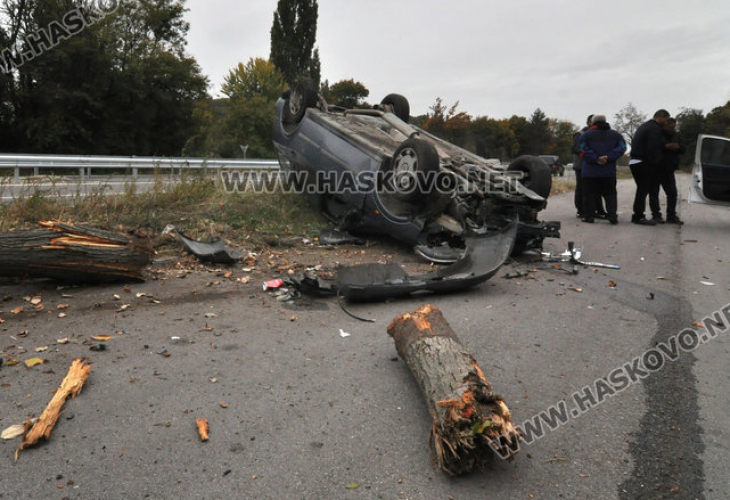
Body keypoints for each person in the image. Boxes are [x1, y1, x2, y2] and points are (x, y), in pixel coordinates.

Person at [579, 114, 626, 224]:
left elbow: (582, 150)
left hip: (590, 172)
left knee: (589, 195)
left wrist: (596, 158)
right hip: (608, 172)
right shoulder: (616, 135)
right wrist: (608, 157)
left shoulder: (586, 135)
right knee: (610, 194)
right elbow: (623, 148)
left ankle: (589, 216)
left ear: (593, 122)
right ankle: (612, 216)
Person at [629, 109, 670, 225]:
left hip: (635, 161)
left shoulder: (646, 126)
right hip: (643, 162)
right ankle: (638, 216)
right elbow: (653, 148)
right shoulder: (655, 129)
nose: (666, 123)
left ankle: (639, 215)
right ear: (661, 117)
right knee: (643, 190)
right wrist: (656, 163)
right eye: (666, 120)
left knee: (643, 189)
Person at [571, 114, 606, 218]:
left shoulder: (599, 134)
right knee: (581, 188)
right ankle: (580, 210)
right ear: (589, 122)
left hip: (594, 165)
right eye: (593, 121)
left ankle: (597, 210)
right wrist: (590, 154)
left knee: (596, 189)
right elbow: (575, 149)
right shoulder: (580, 133)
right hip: (581, 166)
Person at [652, 117, 685, 224]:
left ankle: (671, 215)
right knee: (654, 193)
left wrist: (678, 147)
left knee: (672, 193)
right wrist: (666, 147)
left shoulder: (676, 135)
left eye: (674, 127)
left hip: (669, 168)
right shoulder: (657, 134)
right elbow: (653, 147)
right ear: (665, 125)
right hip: (656, 168)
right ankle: (656, 215)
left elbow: (683, 149)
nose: (672, 129)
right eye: (670, 127)